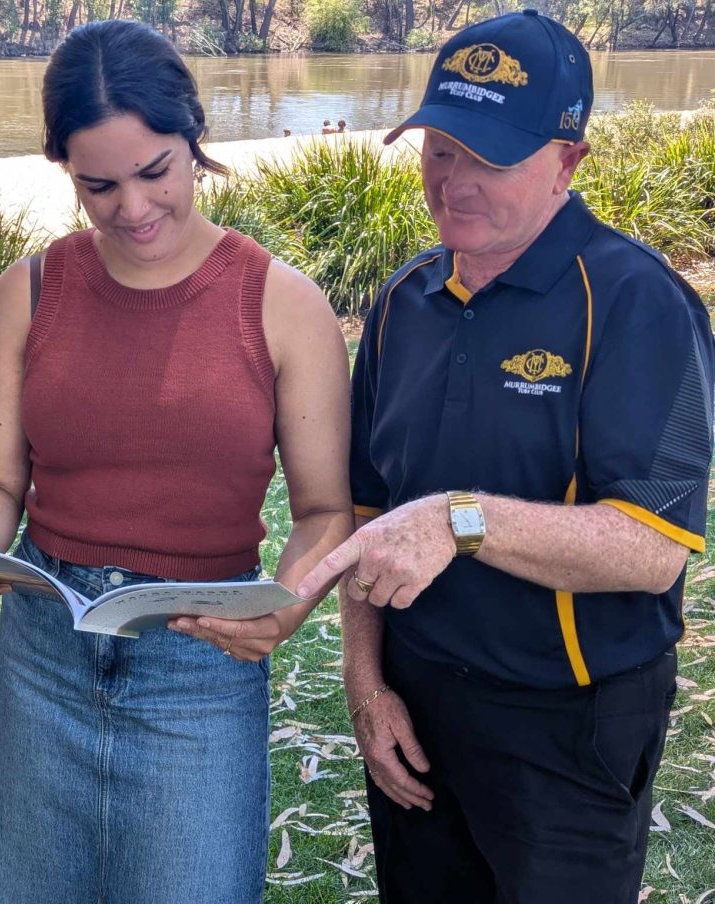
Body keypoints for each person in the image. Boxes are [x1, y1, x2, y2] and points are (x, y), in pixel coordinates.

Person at [0, 19, 353, 903]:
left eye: (155, 171)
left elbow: (324, 510)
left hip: (202, 663)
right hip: (44, 651)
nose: (132, 208)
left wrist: (291, 604)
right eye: (97, 185)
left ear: (195, 138)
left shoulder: (283, 304)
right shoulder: (29, 290)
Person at [297, 10, 714, 903]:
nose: (454, 183)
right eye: (441, 148)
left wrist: (462, 520)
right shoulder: (402, 302)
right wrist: (368, 689)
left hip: (567, 719)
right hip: (415, 704)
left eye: (491, 157)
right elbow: (371, 516)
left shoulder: (642, 303)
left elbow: (653, 549)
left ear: (570, 160)